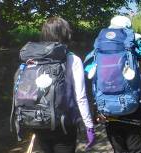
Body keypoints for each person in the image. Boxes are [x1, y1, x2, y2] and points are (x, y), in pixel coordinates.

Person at [89, 15, 141, 153]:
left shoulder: (100, 46)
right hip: (132, 107)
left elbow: (94, 79)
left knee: (119, 150)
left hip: (107, 110)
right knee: (136, 150)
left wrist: (95, 109)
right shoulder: (136, 46)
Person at [30, 17, 95, 153]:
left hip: (40, 121)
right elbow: (80, 97)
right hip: (65, 124)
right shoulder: (73, 59)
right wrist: (89, 126)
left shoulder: (33, 58)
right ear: (66, 33)